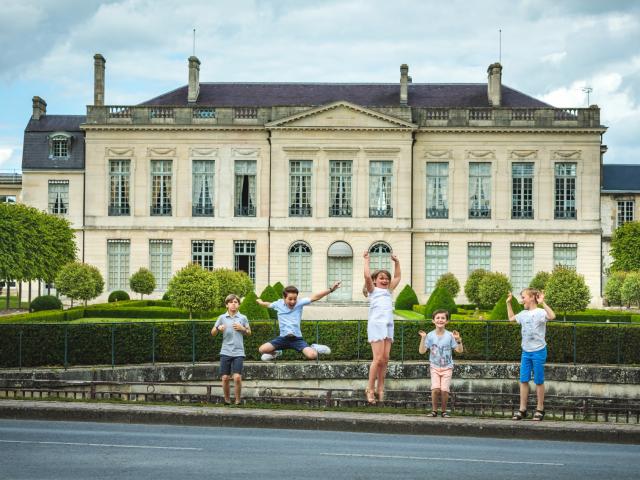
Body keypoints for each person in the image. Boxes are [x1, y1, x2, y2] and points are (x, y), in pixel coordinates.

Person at [256, 282, 341, 361]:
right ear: (284, 298)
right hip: (282, 339)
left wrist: (331, 289)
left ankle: (314, 347)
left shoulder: (299, 303)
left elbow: (315, 297)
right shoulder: (278, 304)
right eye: (290, 299)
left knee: (312, 355)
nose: (293, 301)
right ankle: (276, 352)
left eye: (295, 299)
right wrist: (260, 302)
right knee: (262, 349)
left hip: (296, 339)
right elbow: (267, 304)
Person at [507, 288, 556, 421]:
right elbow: (511, 318)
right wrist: (508, 303)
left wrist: (543, 303)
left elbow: (552, 316)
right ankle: (522, 409)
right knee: (523, 380)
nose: (522, 300)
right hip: (526, 352)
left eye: (523, 297)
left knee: (539, 381)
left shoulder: (540, 312)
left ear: (532, 297)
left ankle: (540, 409)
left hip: (539, 351)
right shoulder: (523, 314)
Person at [363, 251, 400, 404]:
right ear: (375, 280)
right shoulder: (373, 291)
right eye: (381, 278)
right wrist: (366, 260)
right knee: (377, 359)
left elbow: (397, 277)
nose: (385, 280)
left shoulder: (388, 291)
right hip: (376, 325)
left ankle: (381, 388)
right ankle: (370, 389)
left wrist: (396, 262)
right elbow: (366, 277)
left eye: (386, 278)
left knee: (385, 359)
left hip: (388, 325)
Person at [418, 309, 463, 417]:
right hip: (434, 366)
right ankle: (434, 411)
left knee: (444, 390)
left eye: (443, 318)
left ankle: (443, 411)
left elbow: (459, 350)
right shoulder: (429, 335)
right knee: (435, 389)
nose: (440, 320)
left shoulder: (450, 335)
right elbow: (422, 351)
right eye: (437, 318)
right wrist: (423, 338)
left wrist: (458, 340)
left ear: (447, 321)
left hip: (447, 367)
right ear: (433, 321)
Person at [211, 294, 251, 405]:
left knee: (237, 377)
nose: (233, 304)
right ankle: (227, 400)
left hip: (238, 352)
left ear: (238, 304)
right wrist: (218, 328)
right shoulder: (221, 318)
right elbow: (213, 332)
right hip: (225, 351)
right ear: (227, 304)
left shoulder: (243, 318)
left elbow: (249, 332)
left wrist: (242, 328)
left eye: (236, 302)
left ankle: (238, 400)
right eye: (231, 302)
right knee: (225, 378)